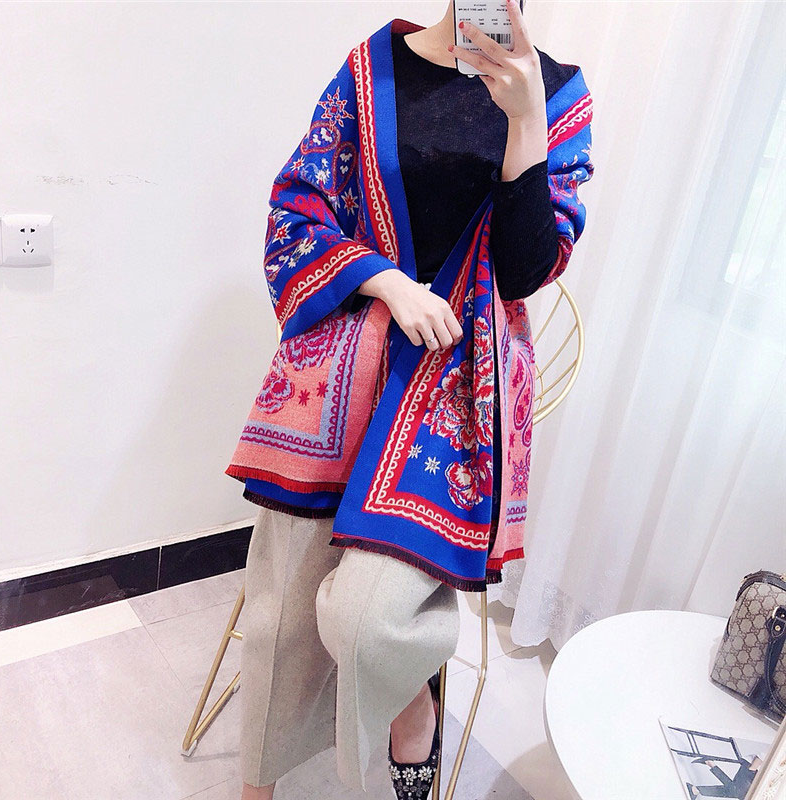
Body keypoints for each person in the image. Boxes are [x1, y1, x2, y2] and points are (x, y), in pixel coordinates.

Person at [230, 2, 594, 798]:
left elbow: (525, 271)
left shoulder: (558, 92)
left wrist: (525, 122)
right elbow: (297, 206)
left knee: (367, 622)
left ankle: (412, 705)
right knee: (281, 617)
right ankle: (257, 784)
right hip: (344, 361)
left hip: (459, 384)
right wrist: (388, 282)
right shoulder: (373, 70)